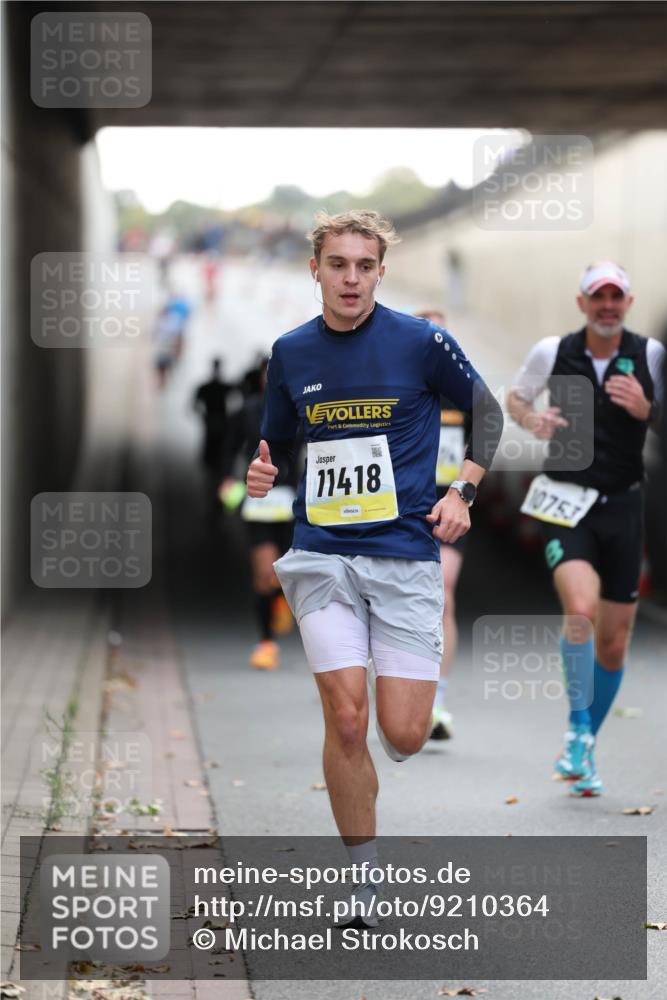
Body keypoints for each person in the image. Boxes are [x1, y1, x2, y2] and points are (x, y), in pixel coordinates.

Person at [246, 210, 503, 923]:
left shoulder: (421, 341)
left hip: (402, 558)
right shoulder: (291, 352)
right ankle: (362, 879)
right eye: (338, 264)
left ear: (380, 271)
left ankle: (396, 741)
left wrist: (463, 490)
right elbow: (271, 447)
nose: (351, 278)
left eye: (364, 265)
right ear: (316, 270)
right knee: (347, 718)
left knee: (401, 733)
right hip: (322, 556)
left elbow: (487, 412)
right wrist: (261, 477)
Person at [507, 261, 664, 797]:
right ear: (581, 303)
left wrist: (649, 409)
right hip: (564, 502)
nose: (607, 306)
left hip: (624, 505)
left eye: (616, 297)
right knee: (580, 610)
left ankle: (581, 747)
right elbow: (516, 398)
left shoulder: (650, 355)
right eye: (597, 297)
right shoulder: (554, 352)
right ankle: (578, 726)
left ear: (628, 303)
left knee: (615, 641)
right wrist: (532, 421)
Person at [415, 309, 471, 741]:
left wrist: (464, 494)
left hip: (450, 506)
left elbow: (486, 439)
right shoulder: (398, 387)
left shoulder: (462, 391)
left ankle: (439, 700)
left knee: (444, 594)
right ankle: (401, 686)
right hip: (402, 507)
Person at [222, 357, 296, 670]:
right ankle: (266, 642)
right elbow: (229, 447)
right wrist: (227, 478)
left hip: (293, 503)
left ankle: (281, 598)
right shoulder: (248, 410)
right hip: (259, 501)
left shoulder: (302, 408)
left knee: (286, 573)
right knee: (264, 575)